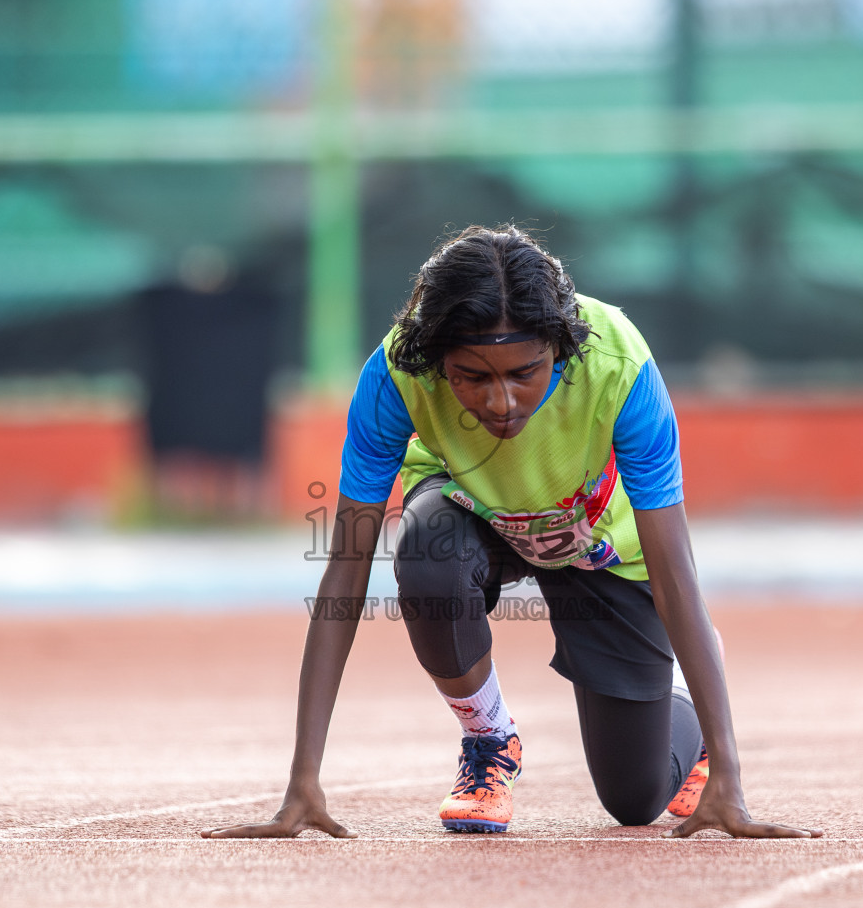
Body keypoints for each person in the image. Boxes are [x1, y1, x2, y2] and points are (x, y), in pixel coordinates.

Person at [205, 225, 820, 840]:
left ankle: (678, 689)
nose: (500, 401)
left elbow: (676, 576)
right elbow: (346, 568)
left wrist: (730, 779)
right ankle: (489, 739)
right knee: (426, 554)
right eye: (472, 376)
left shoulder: (619, 366)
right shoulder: (398, 373)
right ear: (437, 360)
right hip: (471, 513)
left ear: (560, 348)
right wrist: (302, 781)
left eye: (525, 373)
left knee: (636, 800)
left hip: (597, 544)